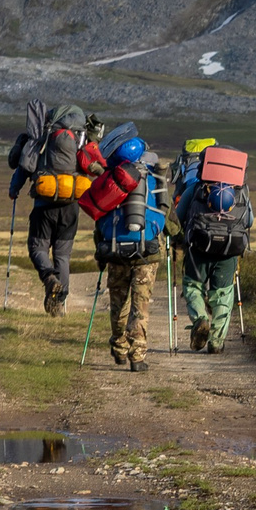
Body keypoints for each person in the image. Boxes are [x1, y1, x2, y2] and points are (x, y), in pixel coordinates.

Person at [15, 106, 100, 315]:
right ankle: (59, 304)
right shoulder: (81, 139)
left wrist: (14, 189)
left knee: (38, 248)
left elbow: (25, 166)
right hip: (71, 207)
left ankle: (49, 278)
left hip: (44, 206)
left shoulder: (45, 137)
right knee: (62, 256)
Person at [174, 145, 252, 353]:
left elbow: (178, 218)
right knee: (222, 294)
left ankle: (200, 318)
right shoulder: (241, 192)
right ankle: (216, 342)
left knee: (193, 286)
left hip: (198, 248)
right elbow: (249, 221)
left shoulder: (195, 189)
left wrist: (176, 239)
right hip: (229, 251)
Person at [96, 151, 167, 371]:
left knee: (118, 305)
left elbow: (100, 219)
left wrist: (100, 254)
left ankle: (119, 348)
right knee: (140, 306)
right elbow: (167, 217)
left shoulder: (112, 180)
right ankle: (137, 357)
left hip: (116, 252)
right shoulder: (154, 180)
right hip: (147, 255)